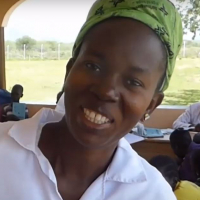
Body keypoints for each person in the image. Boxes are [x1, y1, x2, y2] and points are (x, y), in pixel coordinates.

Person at [0, 0, 182, 199]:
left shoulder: (152, 194)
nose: (106, 91)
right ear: (69, 70)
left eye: (133, 82)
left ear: (151, 104)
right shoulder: (4, 152)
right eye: (93, 66)